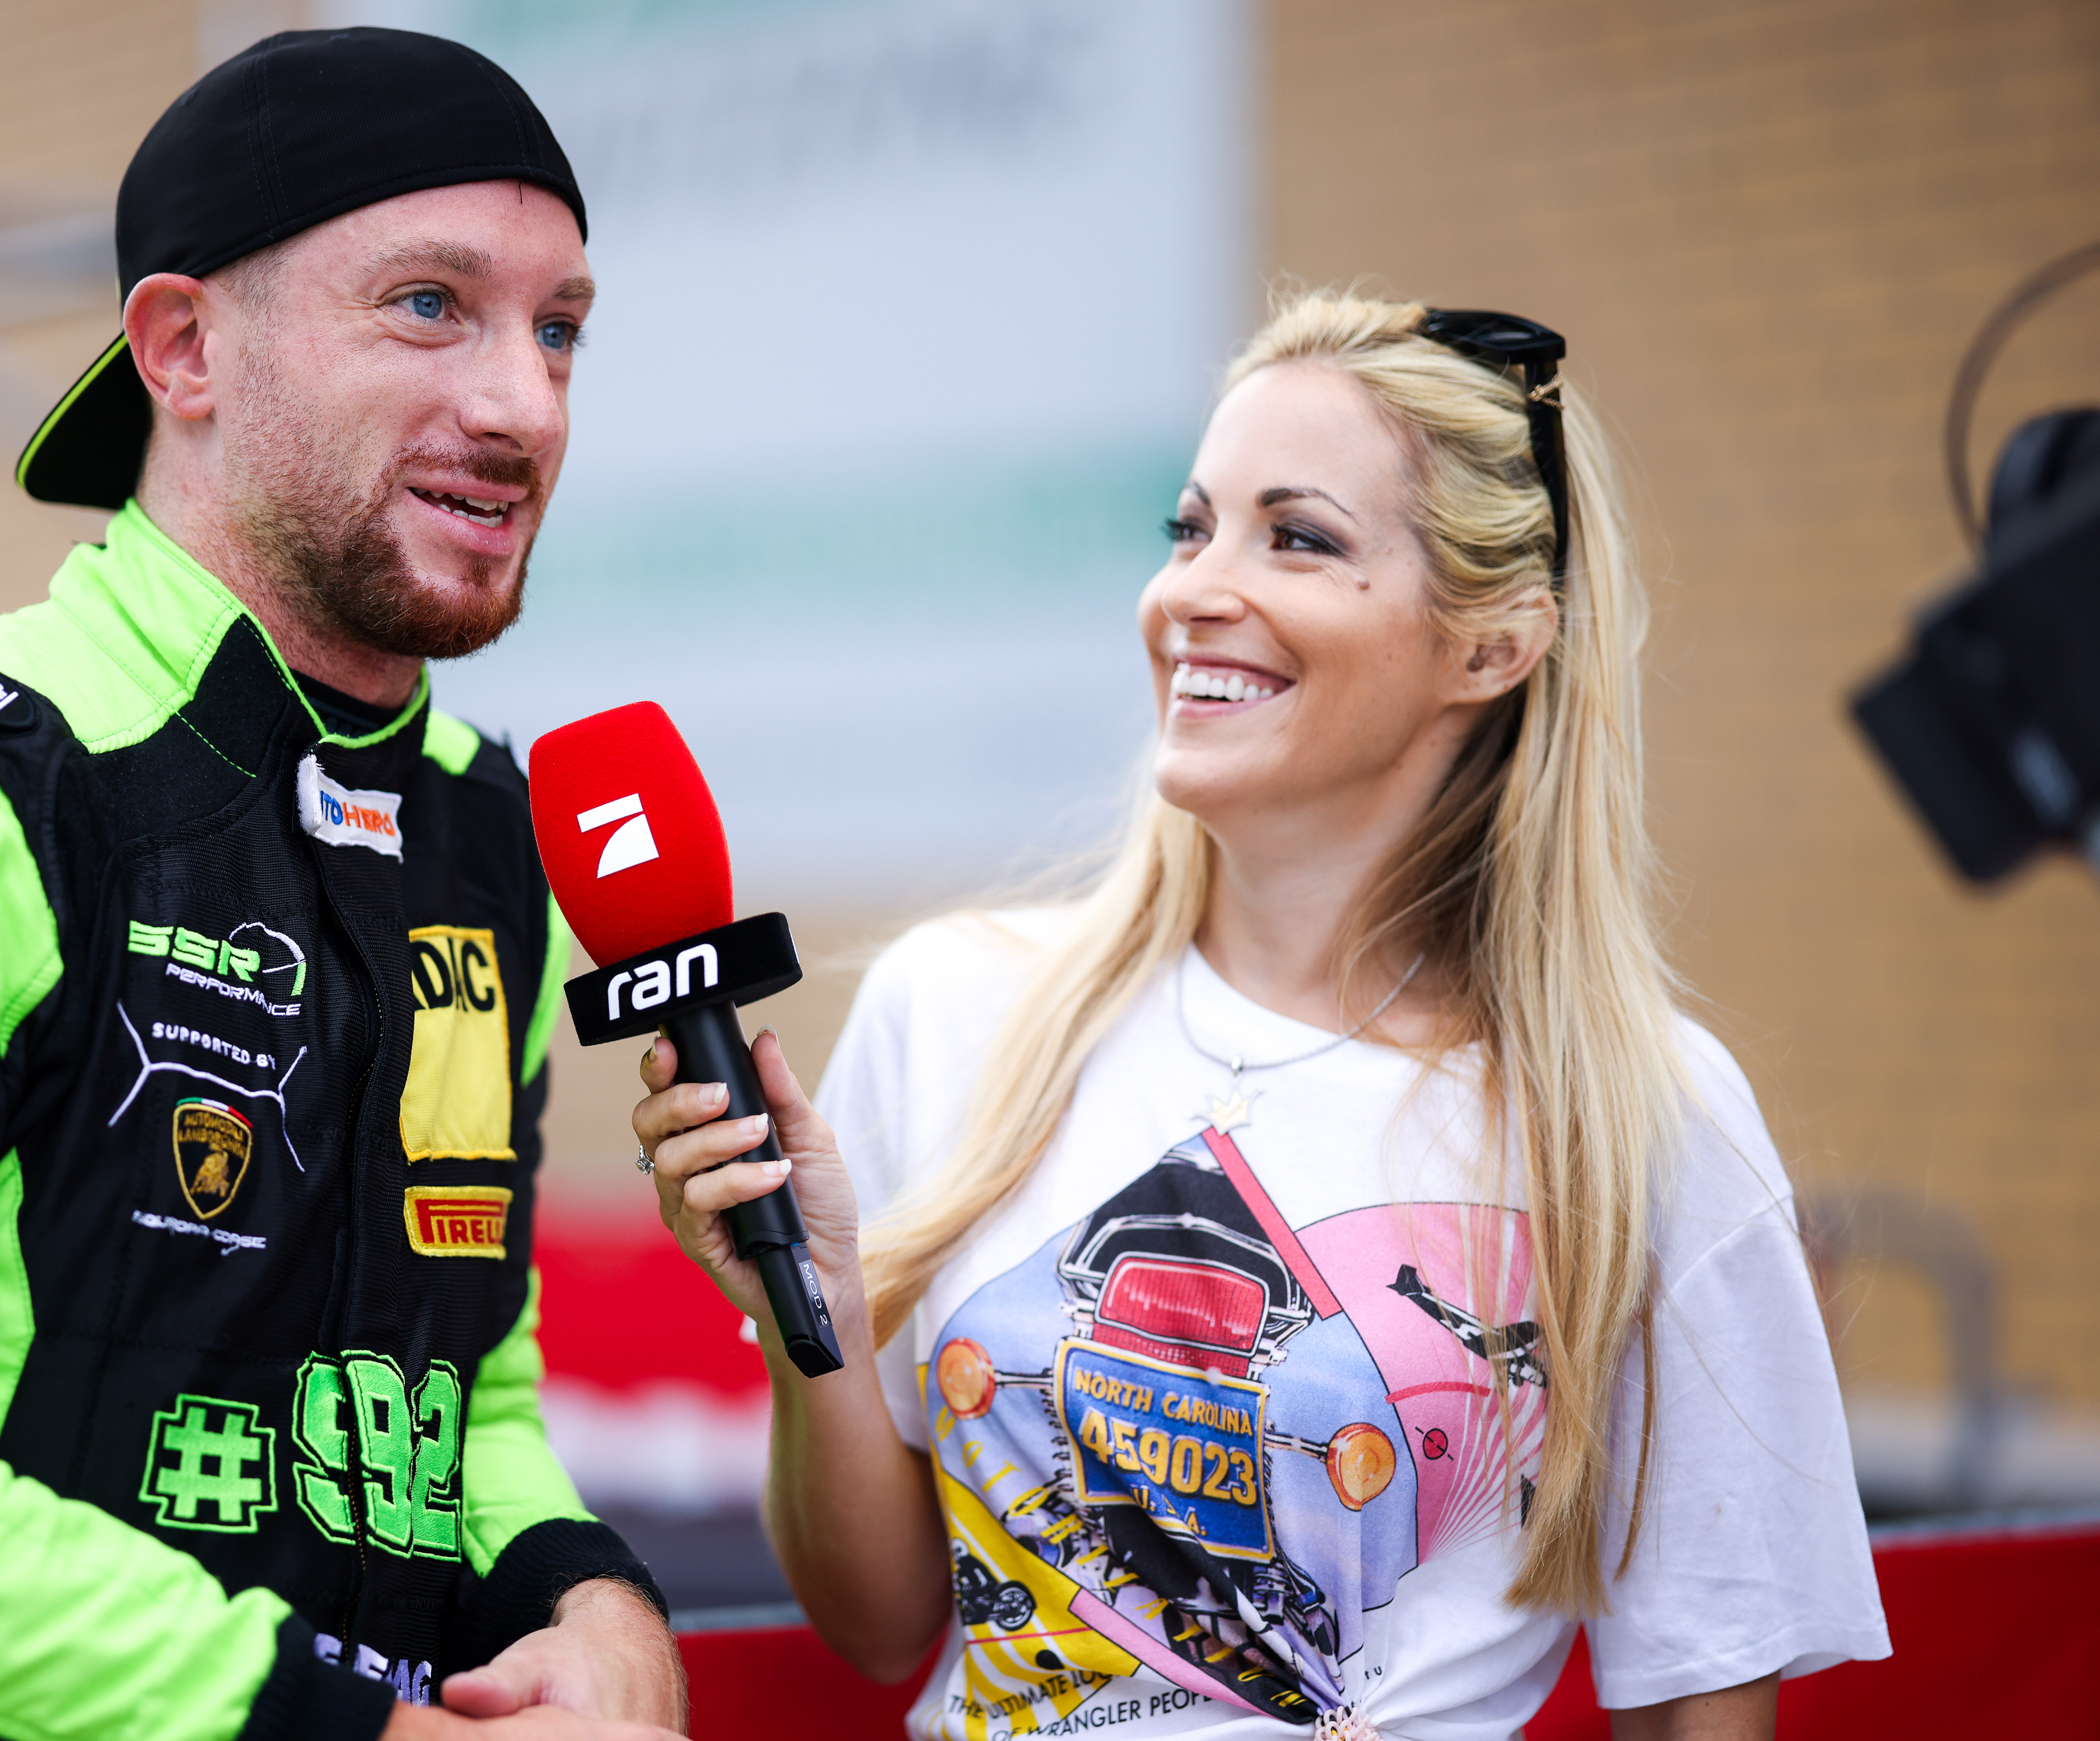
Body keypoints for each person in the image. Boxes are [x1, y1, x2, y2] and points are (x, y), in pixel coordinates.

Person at [0, 29, 685, 1741]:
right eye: (430, 306)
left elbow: (451, 1401)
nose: (524, 407)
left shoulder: (488, 833)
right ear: (184, 348)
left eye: (558, 329)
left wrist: (594, 1602)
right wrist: (340, 1730)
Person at [635, 293, 1891, 1739]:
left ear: (1492, 646)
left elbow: (1700, 1702)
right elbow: (881, 1626)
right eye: (1191, 529)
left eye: (1297, 538)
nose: (1192, 591)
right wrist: (819, 1322)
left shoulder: (1645, 1118)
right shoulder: (955, 1008)